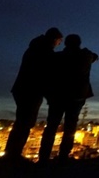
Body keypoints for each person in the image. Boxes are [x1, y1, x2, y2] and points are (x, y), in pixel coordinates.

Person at [4, 27, 63, 161]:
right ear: (54, 39)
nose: (59, 44)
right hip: (30, 90)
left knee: (22, 122)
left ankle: (12, 154)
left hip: (24, 89)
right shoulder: (43, 50)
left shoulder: (37, 47)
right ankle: (13, 156)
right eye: (59, 41)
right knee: (25, 122)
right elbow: (46, 68)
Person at [38, 34, 98, 163]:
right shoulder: (85, 56)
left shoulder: (57, 57)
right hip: (76, 96)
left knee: (52, 126)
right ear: (79, 43)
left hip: (58, 96)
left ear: (66, 44)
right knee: (70, 126)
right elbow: (95, 57)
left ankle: (43, 156)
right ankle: (63, 156)